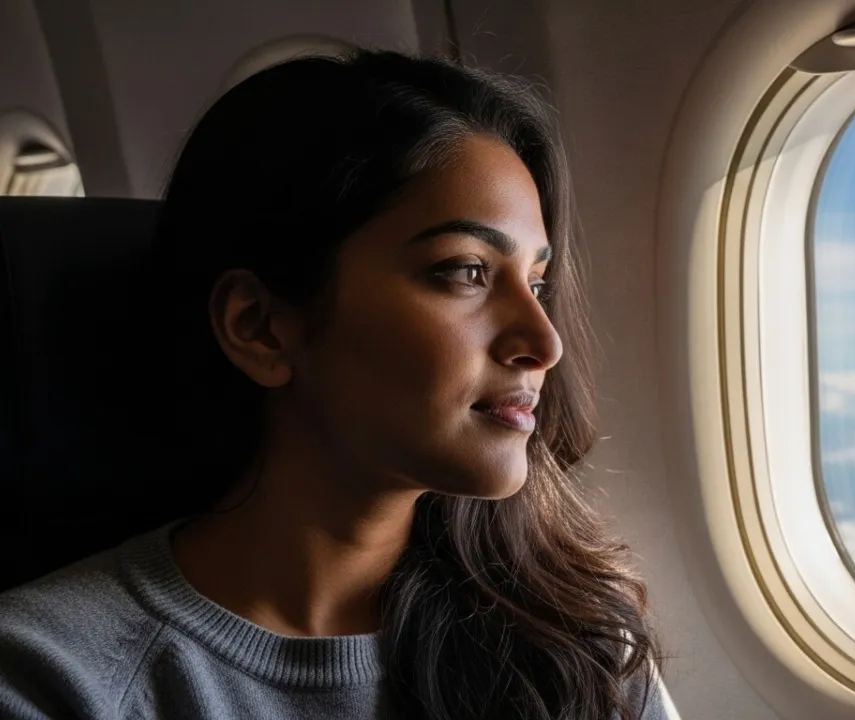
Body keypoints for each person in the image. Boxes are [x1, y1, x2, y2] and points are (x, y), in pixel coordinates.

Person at [0, 50, 677, 720]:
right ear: (260, 327)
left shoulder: (577, 639)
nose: (545, 344)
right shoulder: (51, 679)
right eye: (464, 272)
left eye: (536, 283)